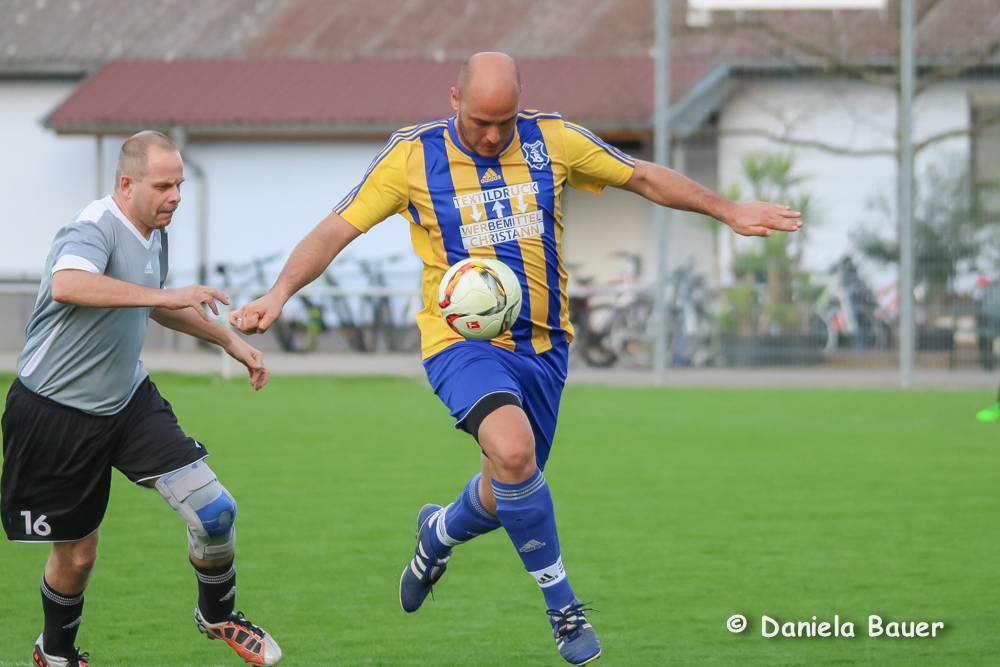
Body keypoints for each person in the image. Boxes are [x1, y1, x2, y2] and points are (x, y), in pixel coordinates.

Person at [231, 52, 801, 665]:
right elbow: (336, 229)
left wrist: (729, 210)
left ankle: (438, 532)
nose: (494, 135)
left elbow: (640, 176)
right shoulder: (412, 156)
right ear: (454, 99)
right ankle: (563, 607)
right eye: (481, 121)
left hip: (545, 348)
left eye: (505, 121)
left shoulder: (553, 138)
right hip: (462, 347)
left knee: (509, 490)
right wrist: (278, 293)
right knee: (514, 451)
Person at [1, 131, 281, 667]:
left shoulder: (155, 229)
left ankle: (218, 615)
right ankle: (54, 653)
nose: (176, 195)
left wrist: (231, 341)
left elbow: (150, 304)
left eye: (179, 183)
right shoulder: (93, 226)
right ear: (126, 184)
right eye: (163, 185)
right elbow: (69, 284)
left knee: (215, 511)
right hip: (56, 412)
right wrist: (165, 293)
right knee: (78, 555)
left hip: (128, 399)